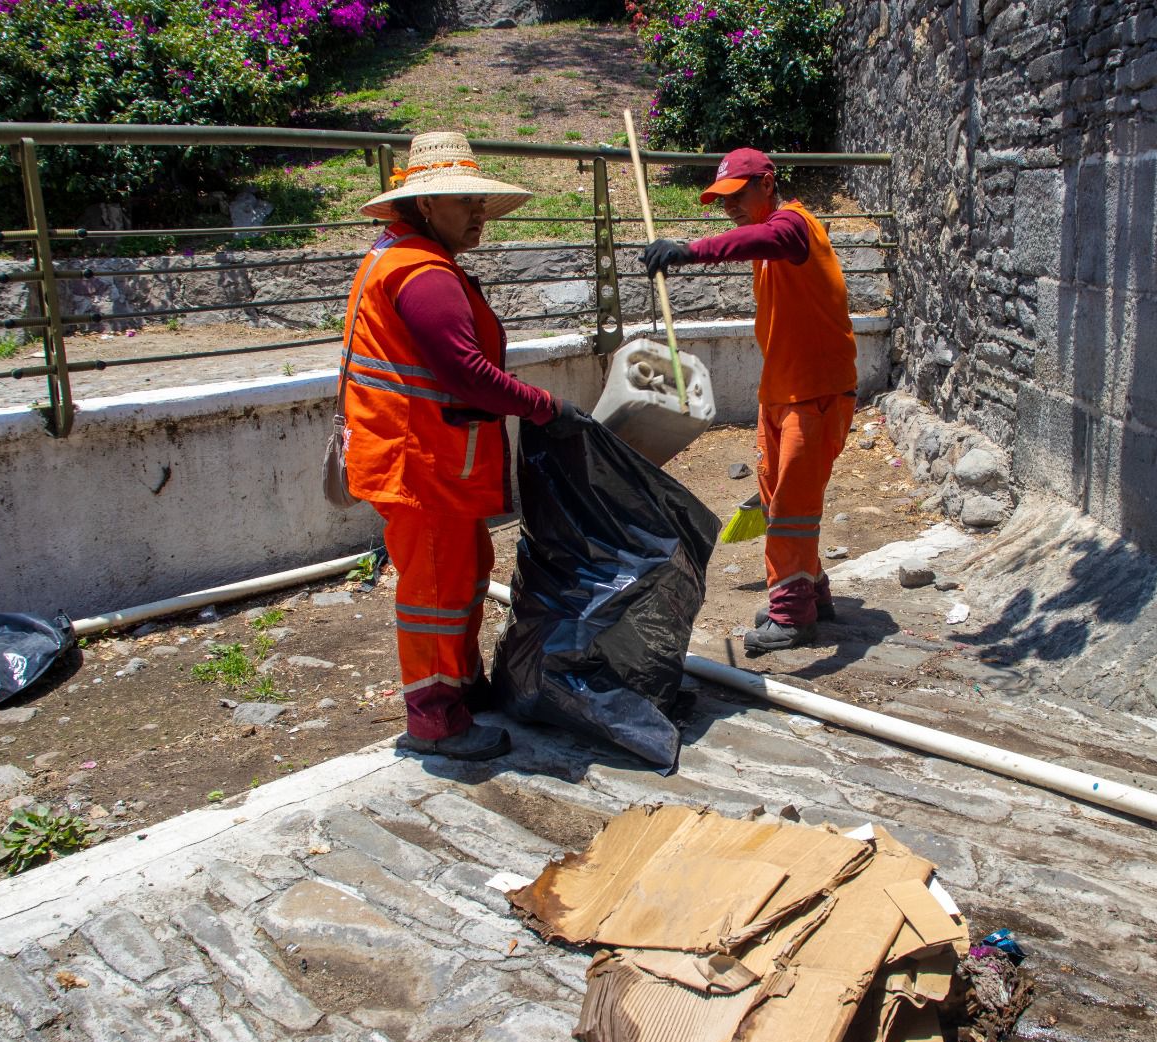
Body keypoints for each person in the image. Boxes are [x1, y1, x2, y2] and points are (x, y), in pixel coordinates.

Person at [341, 130, 589, 759]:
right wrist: (544, 407)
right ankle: (433, 717)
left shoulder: (401, 258)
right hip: (419, 462)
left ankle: (460, 684)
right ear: (426, 206)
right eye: (465, 203)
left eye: (480, 203)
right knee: (435, 592)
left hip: (425, 455)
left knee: (465, 572)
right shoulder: (422, 274)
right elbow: (464, 372)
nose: (480, 215)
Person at [642, 148, 857, 654]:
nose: (731, 207)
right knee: (779, 501)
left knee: (790, 508)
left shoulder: (794, 228)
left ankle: (791, 616)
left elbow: (766, 237)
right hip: (780, 390)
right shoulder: (771, 242)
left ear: (767, 183)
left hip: (817, 393)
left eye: (739, 195)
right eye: (723, 200)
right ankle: (809, 592)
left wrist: (691, 250)